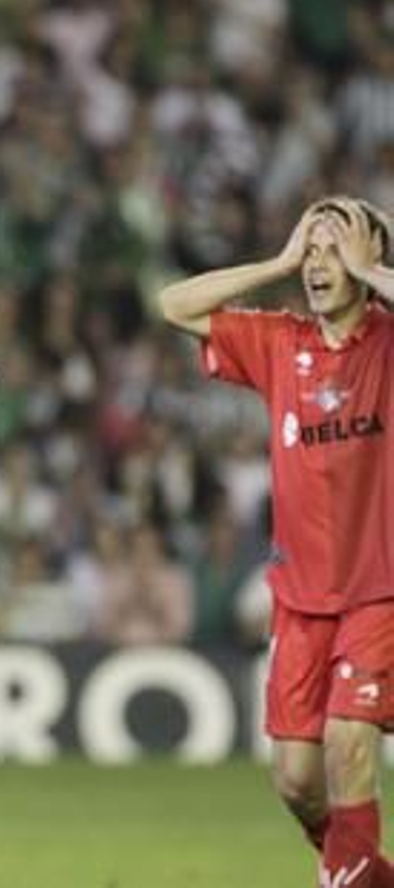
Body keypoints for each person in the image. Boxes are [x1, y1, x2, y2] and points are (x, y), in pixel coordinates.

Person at [160, 197, 394, 888]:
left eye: (336, 250)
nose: (322, 265)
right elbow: (174, 303)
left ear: (370, 258)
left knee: (349, 746)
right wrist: (279, 261)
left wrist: (371, 269)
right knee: (297, 781)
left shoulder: (386, 341)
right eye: (315, 251)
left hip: (379, 590)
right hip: (299, 597)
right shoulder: (280, 341)